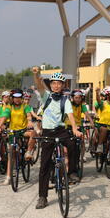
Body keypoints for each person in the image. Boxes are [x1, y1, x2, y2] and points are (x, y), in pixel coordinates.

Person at [32, 67, 82, 210]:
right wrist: (36, 74)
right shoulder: (45, 95)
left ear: (63, 85)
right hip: (47, 132)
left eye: (59, 83)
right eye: (54, 83)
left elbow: (71, 116)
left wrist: (74, 128)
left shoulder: (66, 100)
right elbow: (39, 84)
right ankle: (43, 197)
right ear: (51, 84)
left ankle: (72, 172)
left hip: (61, 131)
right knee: (44, 165)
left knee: (73, 143)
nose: (56, 85)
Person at [0, 89, 35, 185]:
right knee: (11, 153)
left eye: (19, 97)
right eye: (15, 97)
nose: (17, 99)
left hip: (23, 131)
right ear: (12, 98)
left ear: (21, 98)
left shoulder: (25, 106)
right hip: (13, 132)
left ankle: (29, 151)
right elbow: (4, 117)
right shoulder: (9, 107)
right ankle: (8, 176)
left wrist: (30, 121)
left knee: (33, 133)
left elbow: (28, 115)